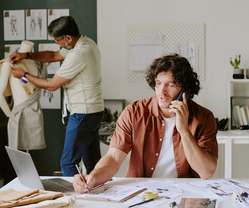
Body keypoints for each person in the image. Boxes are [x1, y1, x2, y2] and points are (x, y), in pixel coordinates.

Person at [73, 54, 218, 193]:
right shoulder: (134, 112)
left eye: (171, 85)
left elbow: (206, 172)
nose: (162, 91)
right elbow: (113, 158)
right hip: (141, 193)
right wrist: (93, 177)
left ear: (185, 90)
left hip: (184, 193)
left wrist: (184, 131)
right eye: (158, 83)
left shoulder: (204, 117)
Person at [10, 16, 104, 176]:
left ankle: (74, 200)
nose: (57, 44)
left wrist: (23, 75)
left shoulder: (78, 54)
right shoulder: (87, 43)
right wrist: (26, 56)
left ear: (68, 38)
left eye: (57, 40)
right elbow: (53, 56)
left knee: (68, 164)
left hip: (83, 113)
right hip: (93, 112)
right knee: (93, 165)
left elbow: (52, 85)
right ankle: (97, 197)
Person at [0, 40, 46, 150]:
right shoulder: (9, 64)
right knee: (19, 155)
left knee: (29, 153)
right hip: (18, 114)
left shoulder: (38, 64)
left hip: (35, 114)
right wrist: (10, 115)